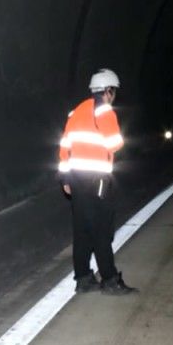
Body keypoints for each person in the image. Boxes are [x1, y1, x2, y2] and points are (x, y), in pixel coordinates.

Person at [58, 68, 137, 295]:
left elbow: (64, 147)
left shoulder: (76, 112)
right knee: (102, 230)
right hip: (97, 180)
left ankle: (83, 278)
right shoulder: (104, 111)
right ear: (108, 91)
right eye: (114, 92)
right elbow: (114, 143)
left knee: (82, 229)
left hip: (75, 178)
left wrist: (65, 177)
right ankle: (110, 279)